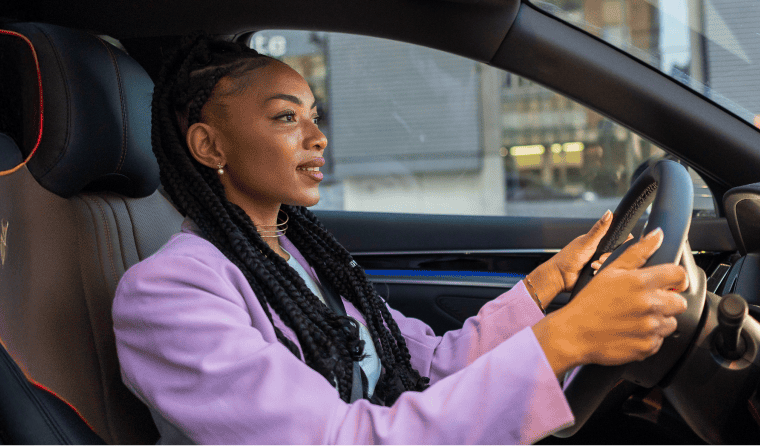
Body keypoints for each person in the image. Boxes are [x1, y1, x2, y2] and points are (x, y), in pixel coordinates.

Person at [114, 38, 691, 445]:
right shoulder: (168, 292)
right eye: (287, 119)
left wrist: (543, 292)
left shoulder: (305, 261)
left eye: (315, 116)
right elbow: (337, 439)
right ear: (209, 147)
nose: (318, 138)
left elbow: (431, 368)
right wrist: (563, 341)